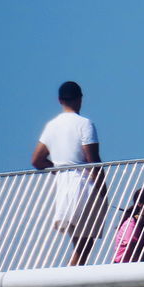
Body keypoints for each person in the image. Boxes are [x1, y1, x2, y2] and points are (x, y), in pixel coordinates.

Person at [31, 81, 108, 265]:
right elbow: (93, 160)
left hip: (64, 186)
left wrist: (59, 169)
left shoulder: (52, 125)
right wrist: (102, 188)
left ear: (60, 100)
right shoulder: (84, 124)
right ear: (80, 99)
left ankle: (71, 270)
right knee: (86, 242)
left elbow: (37, 160)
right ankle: (70, 273)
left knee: (78, 240)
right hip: (84, 184)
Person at [112, 188, 144, 263]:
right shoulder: (130, 224)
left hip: (133, 268)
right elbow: (134, 253)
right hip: (122, 268)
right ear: (139, 203)